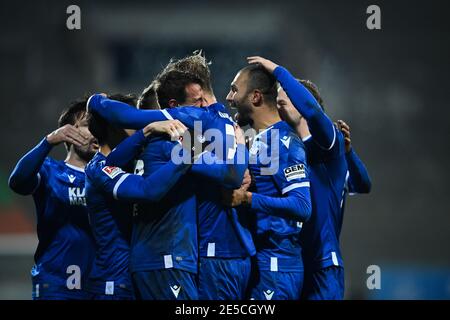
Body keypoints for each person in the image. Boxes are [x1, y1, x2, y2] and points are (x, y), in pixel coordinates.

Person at [247, 56, 350, 300]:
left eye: (284, 101)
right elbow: (362, 184)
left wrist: (278, 71)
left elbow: (313, 112)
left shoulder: (327, 145)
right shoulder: (285, 148)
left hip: (323, 264)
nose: (278, 105)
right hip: (295, 264)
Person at [84, 93, 191, 300]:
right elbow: (147, 191)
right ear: (116, 124)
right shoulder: (98, 169)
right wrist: (188, 152)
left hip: (134, 274)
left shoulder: (130, 161)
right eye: (132, 118)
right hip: (113, 280)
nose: (139, 122)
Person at [224, 62, 312, 300]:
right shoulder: (256, 139)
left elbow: (302, 207)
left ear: (255, 97)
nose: (229, 97)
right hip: (260, 260)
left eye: (234, 89)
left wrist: (247, 198)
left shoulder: (285, 143)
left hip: (278, 265)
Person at [8, 97, 98, 300]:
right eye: (87, 126)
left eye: (98, 127)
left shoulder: (109, 178)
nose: (95, 133)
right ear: (68, 132)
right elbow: (17, 182)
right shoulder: (50, 171)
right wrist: (48, 141)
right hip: (56, 284)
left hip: (100, 286)